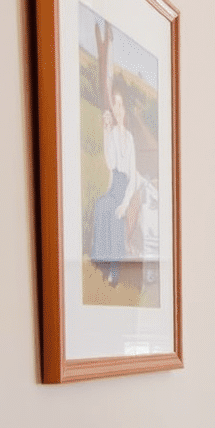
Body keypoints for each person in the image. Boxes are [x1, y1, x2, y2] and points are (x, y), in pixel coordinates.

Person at [91, 83, 137, 286]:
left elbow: (133, 177)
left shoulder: (130, 138)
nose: (117, 109)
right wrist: (106, 132)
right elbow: (110, 163)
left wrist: (125, 203)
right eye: (114, 104)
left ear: (125, 109)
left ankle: (114, 270)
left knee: (115, 210)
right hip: (114, 187)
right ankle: (101, 263)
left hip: (125, 189)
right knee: (102, 205)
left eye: (120, 105)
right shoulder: (114, 136)